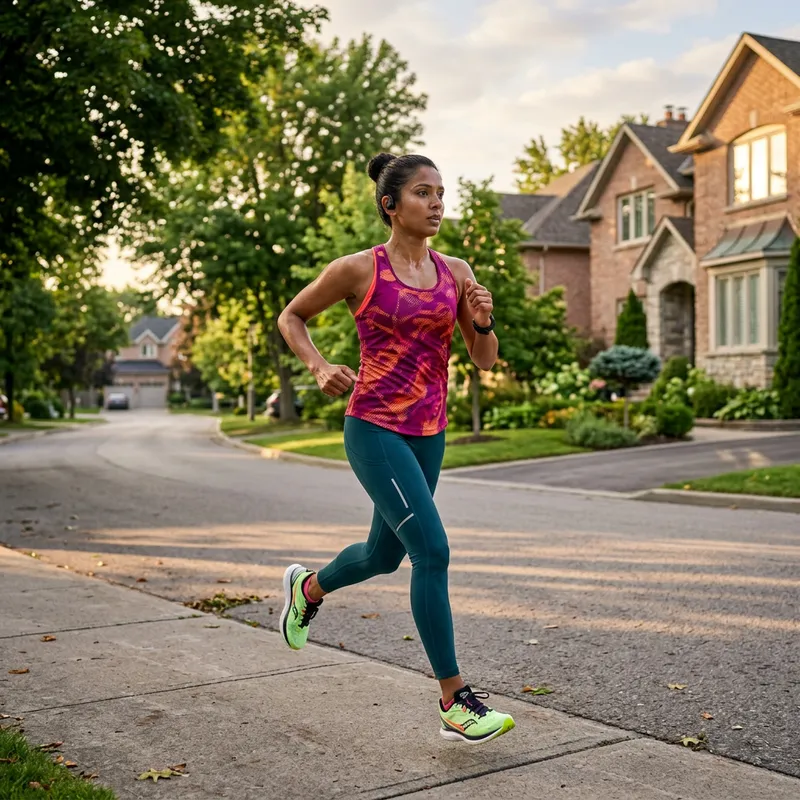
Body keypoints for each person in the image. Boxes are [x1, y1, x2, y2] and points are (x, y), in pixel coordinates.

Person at [276, 152, 515, 744]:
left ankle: (307, 590)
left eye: (441, 192)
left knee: (386, 557)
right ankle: (454, 699)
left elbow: (483, 361)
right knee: (431, 550)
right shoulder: (358, 269)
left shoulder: (456, 271)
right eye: (422, 193)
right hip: (374, 428)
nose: (437, 203)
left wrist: (482, 321)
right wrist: (318, 365)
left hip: (429, 432)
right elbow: (292, 316)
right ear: (391, 204)